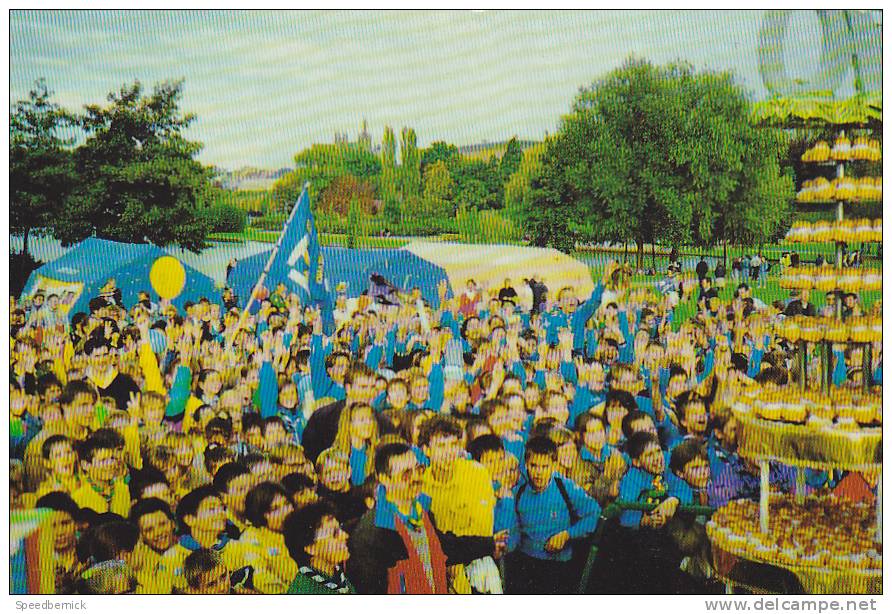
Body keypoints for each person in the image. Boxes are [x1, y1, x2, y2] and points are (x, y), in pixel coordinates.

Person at [348, 442, 497, 594]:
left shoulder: (422, 513)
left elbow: (445, 547)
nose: (416, 478)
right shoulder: (372, 533)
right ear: (385, 479)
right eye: (406, 474)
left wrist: (490, 544)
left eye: (418, 470)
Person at [507, 436, 601, 594]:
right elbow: (513, 531)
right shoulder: (519, 493)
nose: (539, 472)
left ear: (554, 465)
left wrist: (567, 534)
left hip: (560, 565)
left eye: (545, 466)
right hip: (527, 563)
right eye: (534, 465)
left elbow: (594, 513)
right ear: (526, 465)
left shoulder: (565, 487)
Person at [419, 416, 502, 594]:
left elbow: (482, 530)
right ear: (426, 450)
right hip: (438, 566)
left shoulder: (476, 474)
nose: (449, 452)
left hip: (474, 563)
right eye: (441, 446)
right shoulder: (420, 484)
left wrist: (454, 563)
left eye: (454, 445)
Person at [283, 501, 355, 594]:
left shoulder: (337, 575)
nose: (345, 535)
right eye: (334, 534)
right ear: (311, 548)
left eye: (340, 529)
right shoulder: (304, 591)